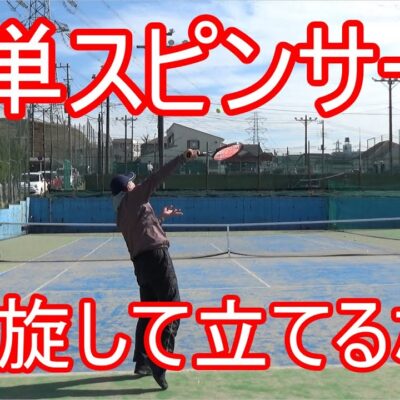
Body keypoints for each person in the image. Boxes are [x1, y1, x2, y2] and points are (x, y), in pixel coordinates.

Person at [110, 149, 198, 390]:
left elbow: (145, 231)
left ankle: (142, 362)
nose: (135, 183)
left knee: (148, 313)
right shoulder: (135, 197)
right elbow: (156, 178)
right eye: (131, 182)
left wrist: (161, 218)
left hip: (141, 266)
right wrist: (183, 157)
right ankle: (160, 362)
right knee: (173, 308)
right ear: (127, 188)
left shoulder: (121, 214)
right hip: (157, 259)